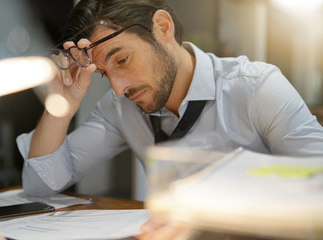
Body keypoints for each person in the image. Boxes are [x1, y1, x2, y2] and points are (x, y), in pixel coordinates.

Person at [17, 0, 323, 237]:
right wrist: (62, 104)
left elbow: (319, 186)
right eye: (104, 74)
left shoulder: (256, 87)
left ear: (163, 28)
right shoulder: (119, 107)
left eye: (122, 60)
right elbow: (40, 186)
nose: (118, 87)